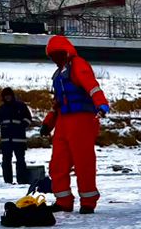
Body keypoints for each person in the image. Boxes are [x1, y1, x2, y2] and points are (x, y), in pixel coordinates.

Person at [41, 35, 109, 213]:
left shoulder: (78, 65)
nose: (56, 59)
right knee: (58, 163)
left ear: (66, 52)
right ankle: (63, 201)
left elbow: (92, 86)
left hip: (82, 120)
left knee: (83, 162)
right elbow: (58, 103)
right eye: (53, 56)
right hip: (63, 121)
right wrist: (48, 123)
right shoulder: (59, 74)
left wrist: (102, 104)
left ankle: (88, 202)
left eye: (58, 54)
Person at [0, 87, 33, 184]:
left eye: (9, 95)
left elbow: (28, 118)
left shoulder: (21, 106)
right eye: (5, 96)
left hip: (19, 140)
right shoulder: (1, 109)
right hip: (6, 140)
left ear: (12, 96)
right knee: (6, 161)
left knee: (20, 161)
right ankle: (8, 181)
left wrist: (22, 125)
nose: (7, 97)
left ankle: (22, 181)